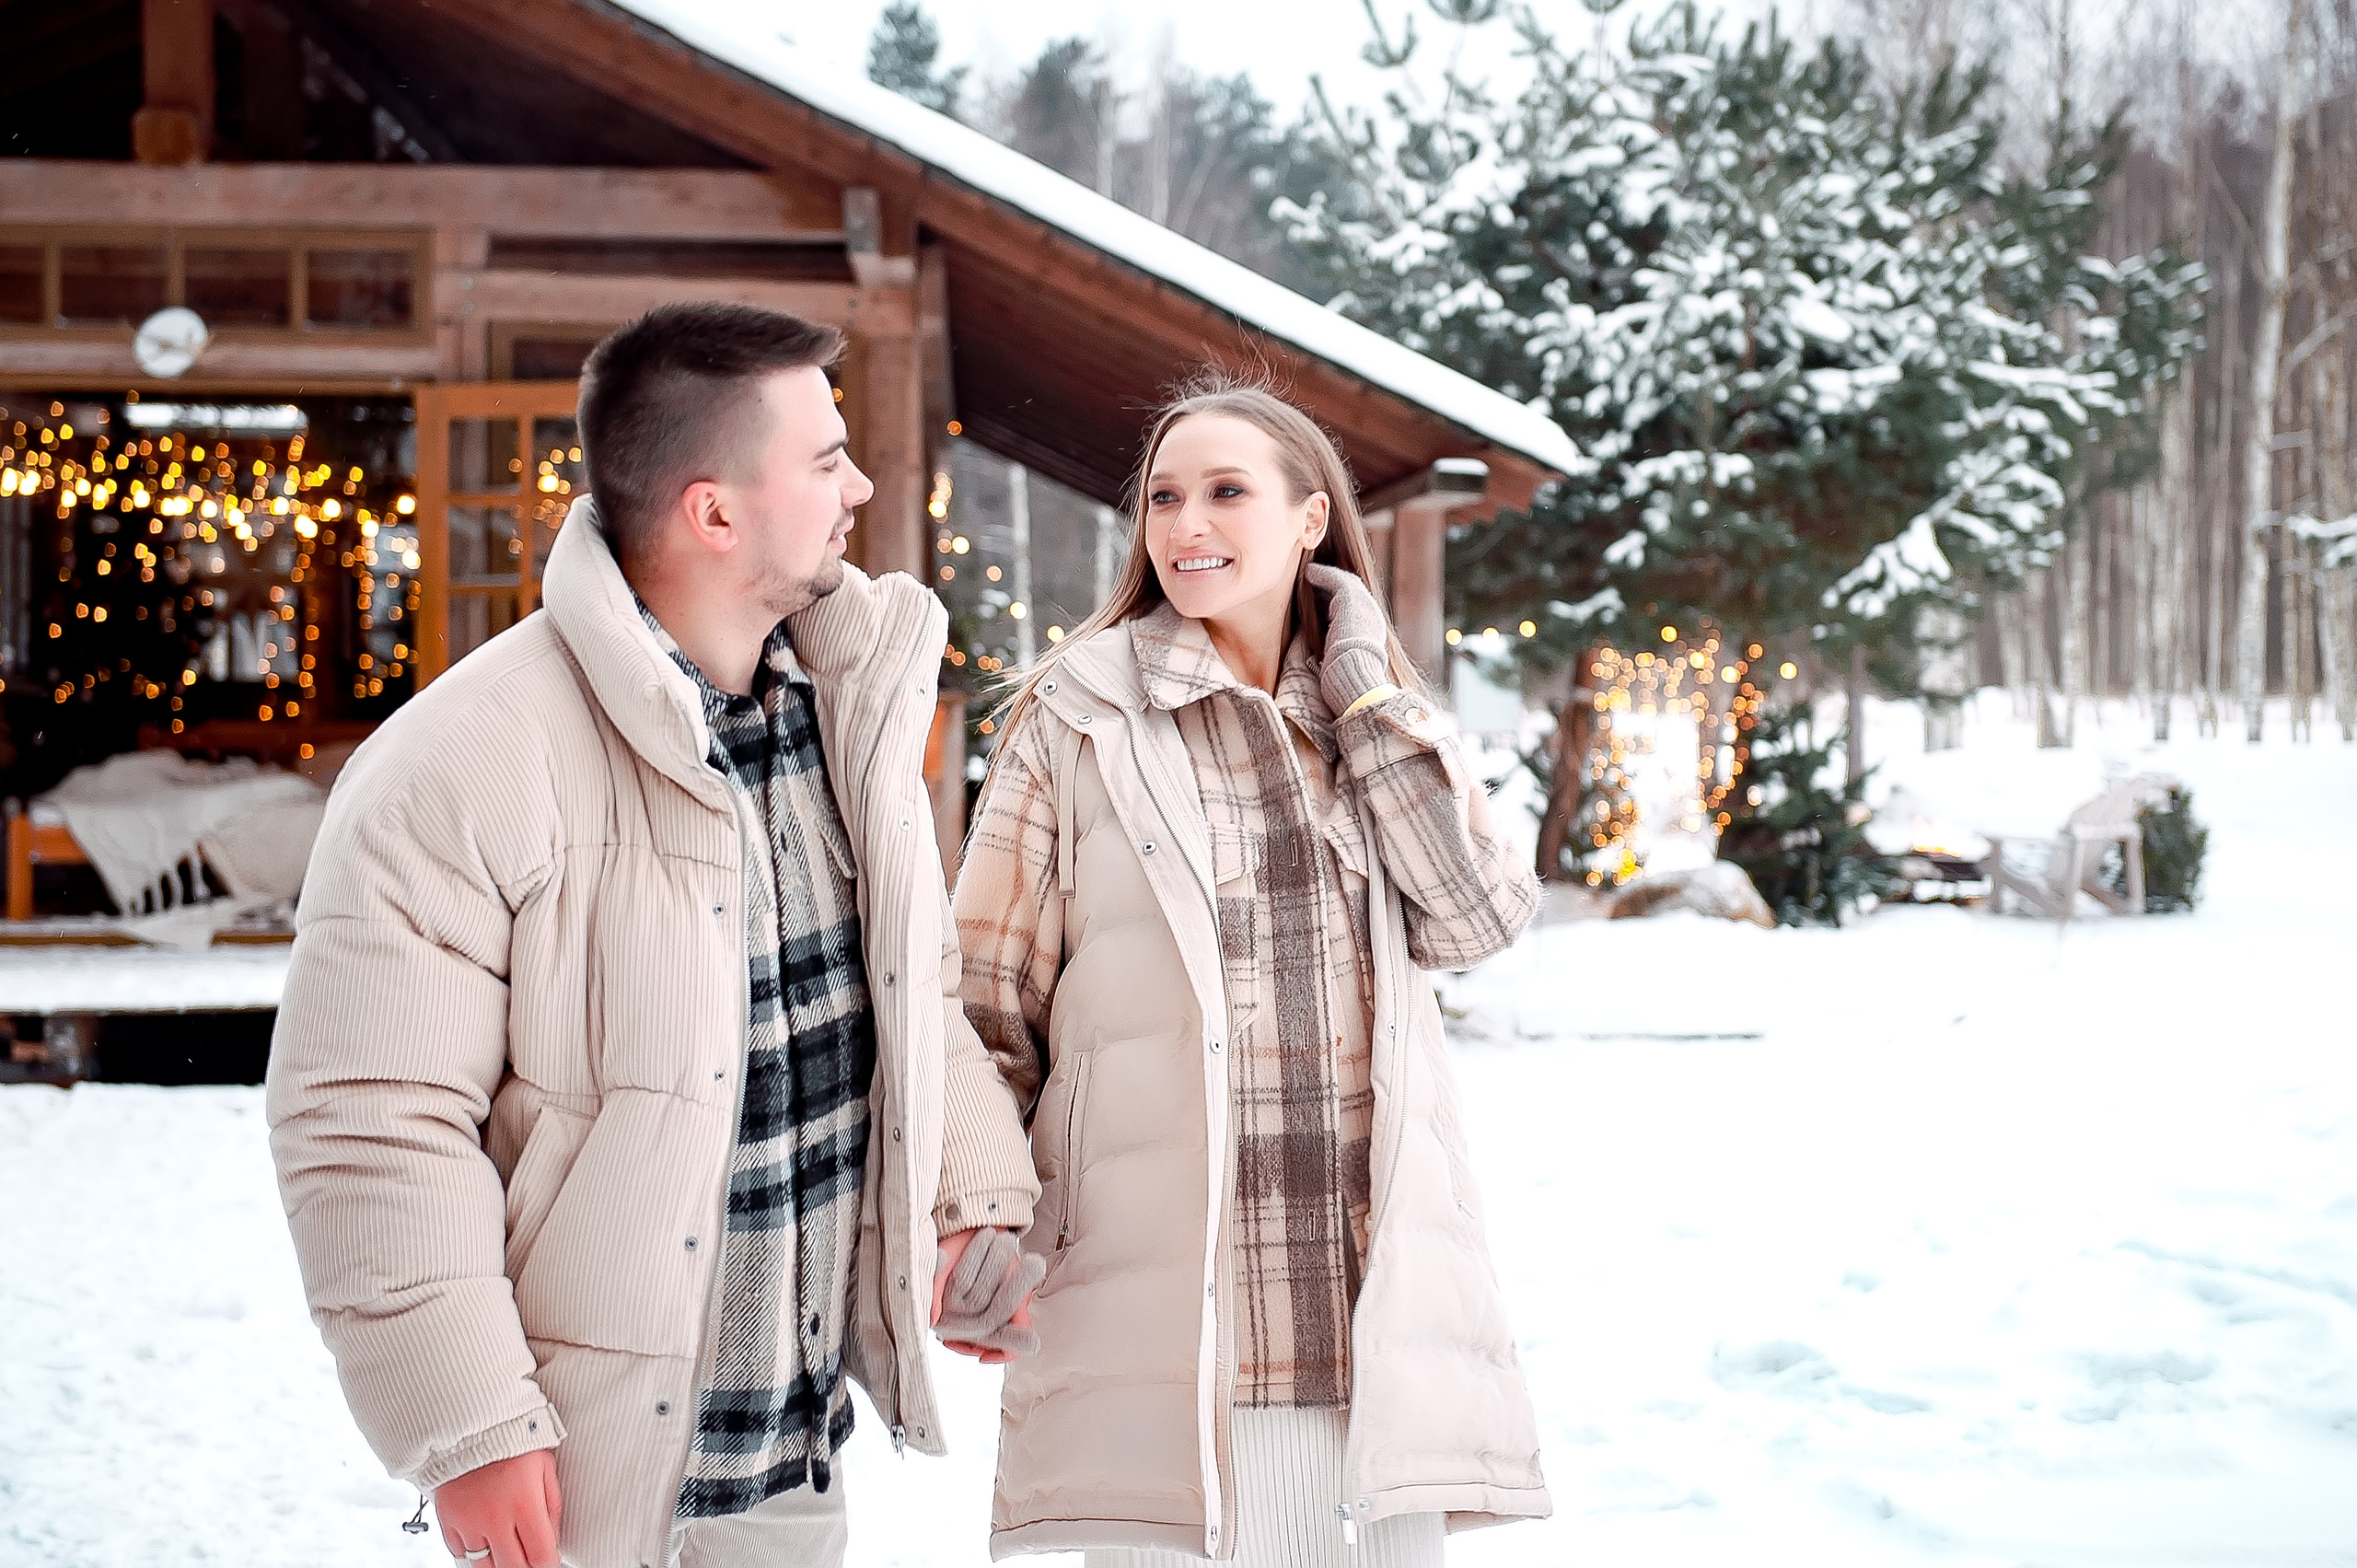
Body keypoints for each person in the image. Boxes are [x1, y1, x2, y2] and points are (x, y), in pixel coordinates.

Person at [265, 302, 1041, 1568]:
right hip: (594, 1477)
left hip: (793, 1454)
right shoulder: (462, 761)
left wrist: (970, 1200)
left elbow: (907, 995)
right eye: (824, 457)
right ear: (715, 512)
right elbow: (368, 1116)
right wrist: (468, 1424)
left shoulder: (843, 717)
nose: (858, 486)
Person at [952, 375, 1551, 1566]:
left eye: (1227, 492)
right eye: (1165, 498)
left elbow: (1478, 921)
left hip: (1374, 1319)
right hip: (1170, 1310)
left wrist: (1370, 696)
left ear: (1309, 520)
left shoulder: (1371, 717)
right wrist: (973, 1216)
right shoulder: (1080, 718)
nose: (1186, 526)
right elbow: (979, 1001)